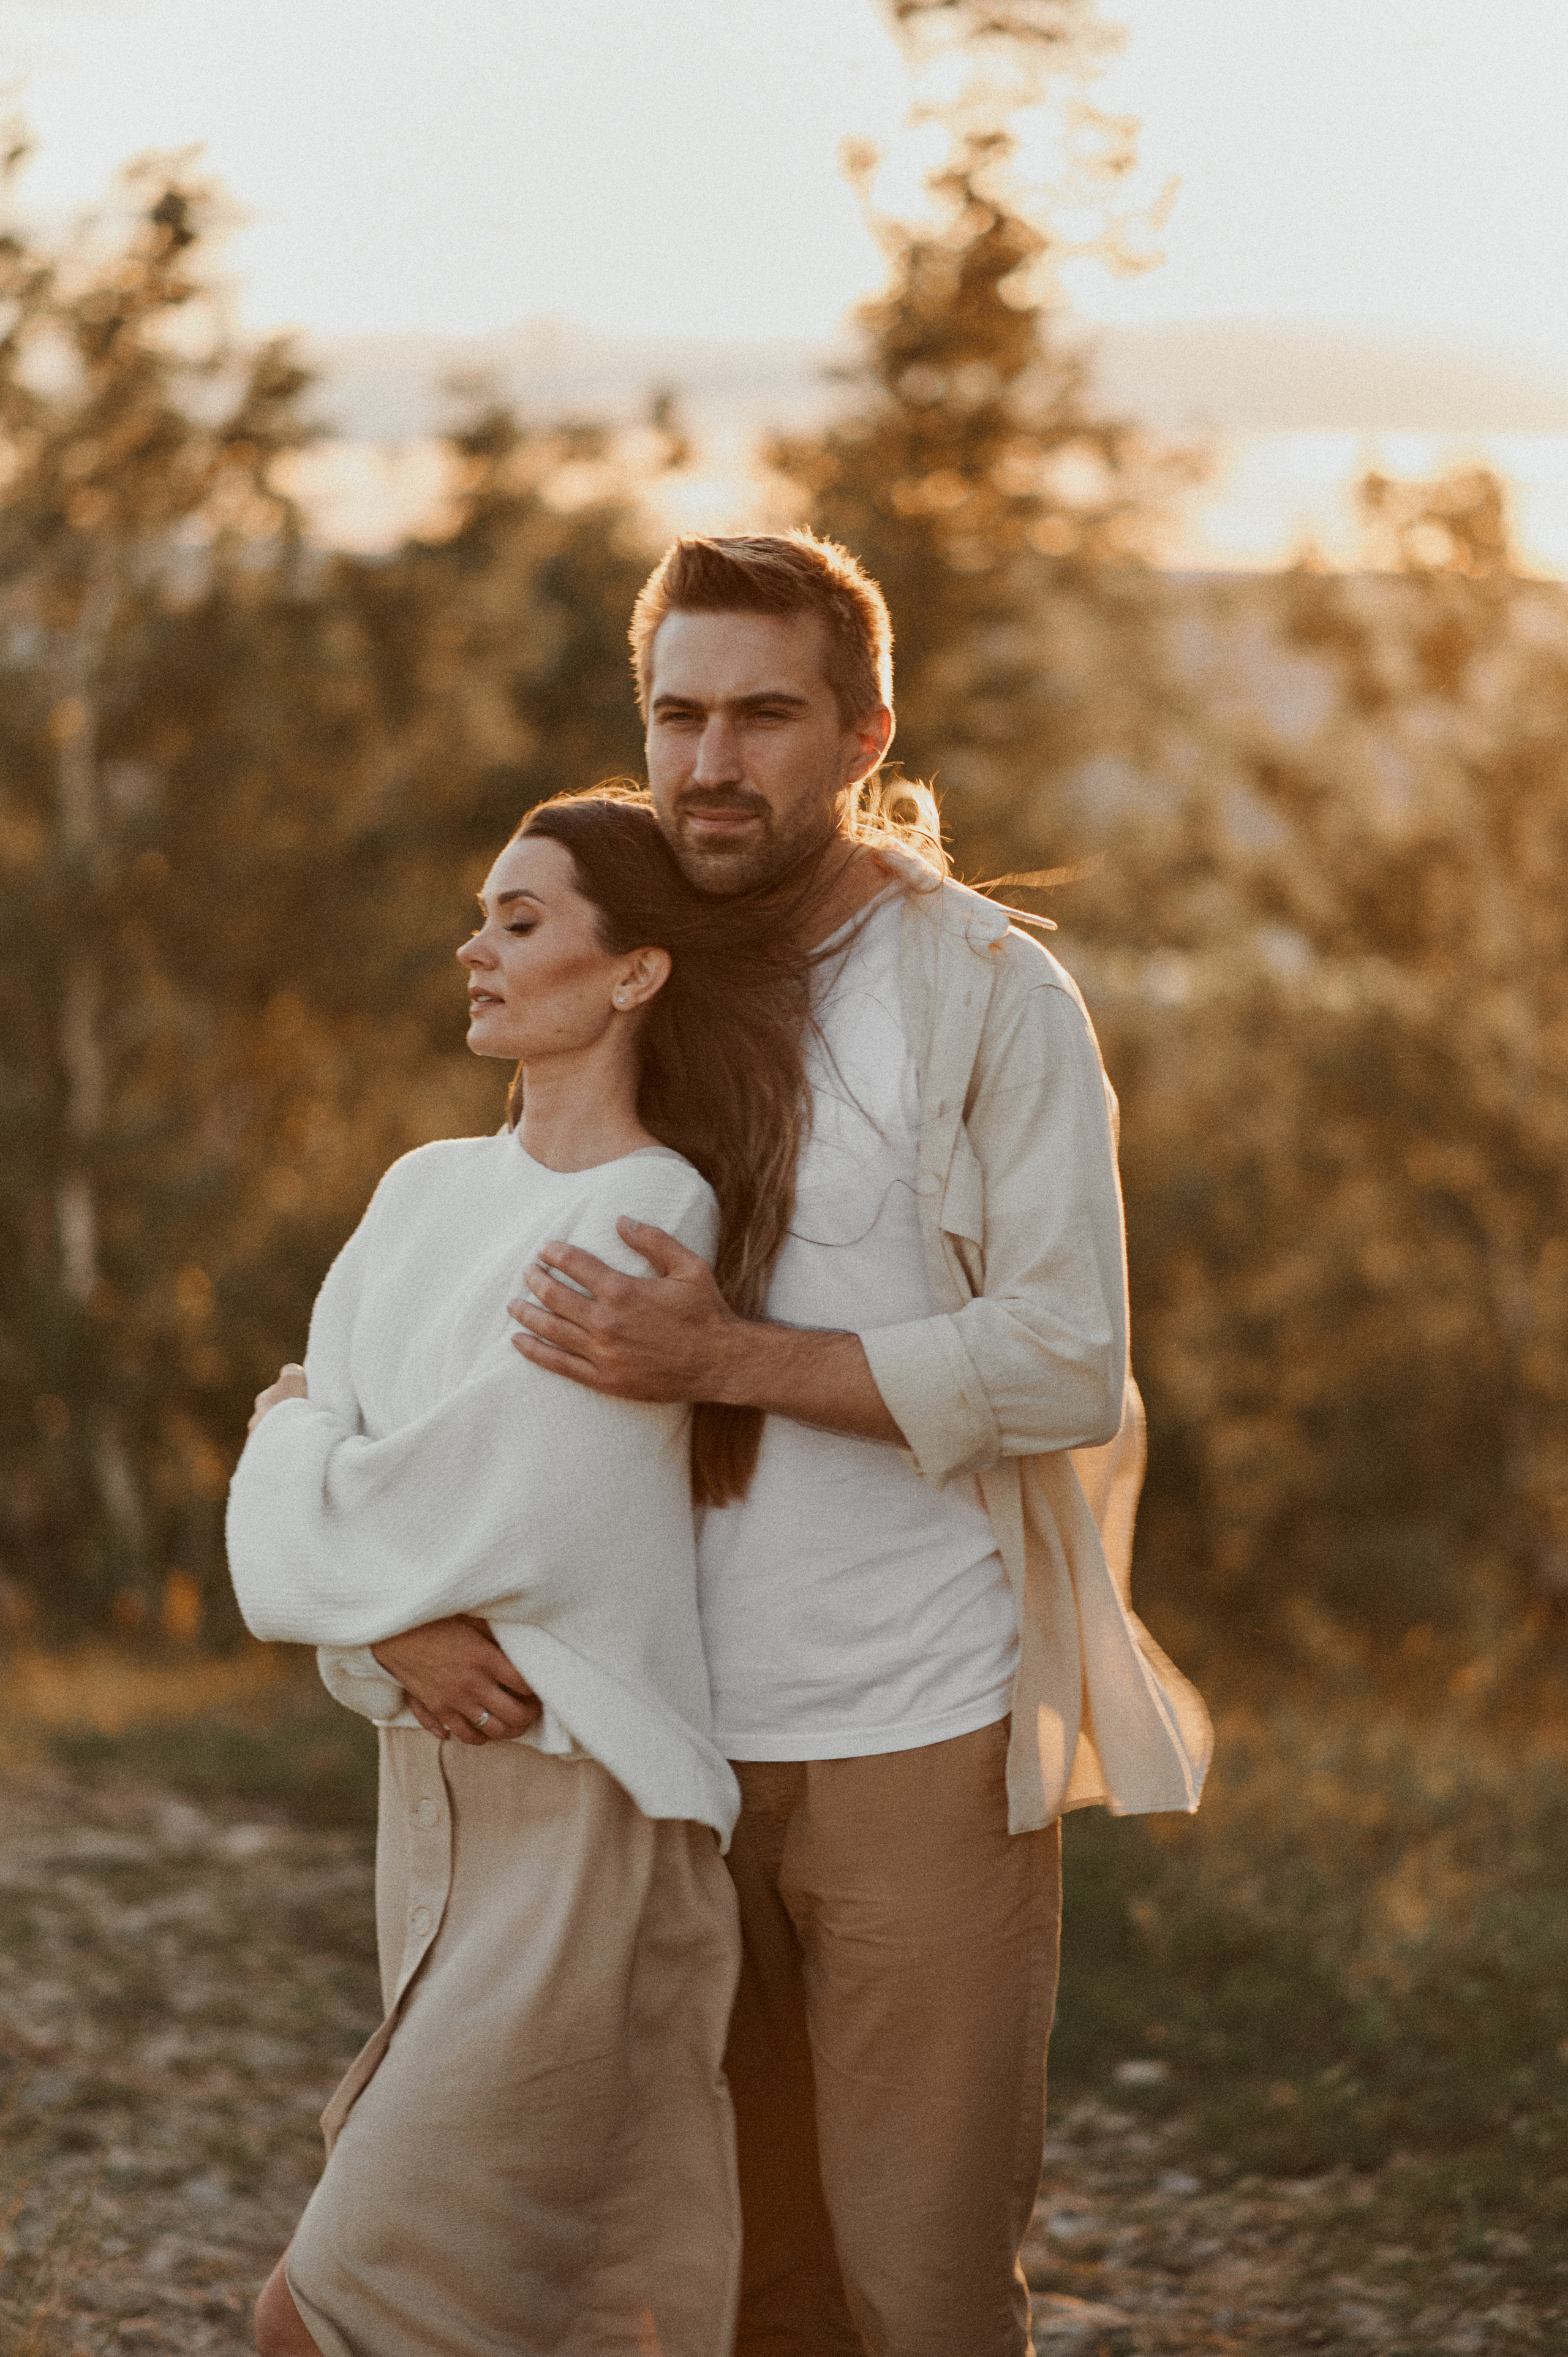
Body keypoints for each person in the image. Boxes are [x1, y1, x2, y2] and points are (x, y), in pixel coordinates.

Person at [389, 530, 1213, 2357]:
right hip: (649, 1742)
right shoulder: (628, 973)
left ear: (864, 737)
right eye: (678, 713)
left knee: (917, 2286)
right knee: (715, 2283)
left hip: (912, 1729)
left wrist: (732, 1358)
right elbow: (424, 1324)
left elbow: (1070, 1358)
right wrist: (381, 1607)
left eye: (764, 715)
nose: (708, 763)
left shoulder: (988, 994)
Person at [226, 790, 815, 2357]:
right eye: (484, 916)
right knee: (515, 2319)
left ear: (632, 974)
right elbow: (341, 1495)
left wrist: (300, 1469)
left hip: (579, 1814)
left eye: (521, 919)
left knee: (324, 2307)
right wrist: (393, 1612)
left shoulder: (649, 1210)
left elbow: (495, 1508)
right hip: (425, 1800)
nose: (474, 949)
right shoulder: (421, 1189)